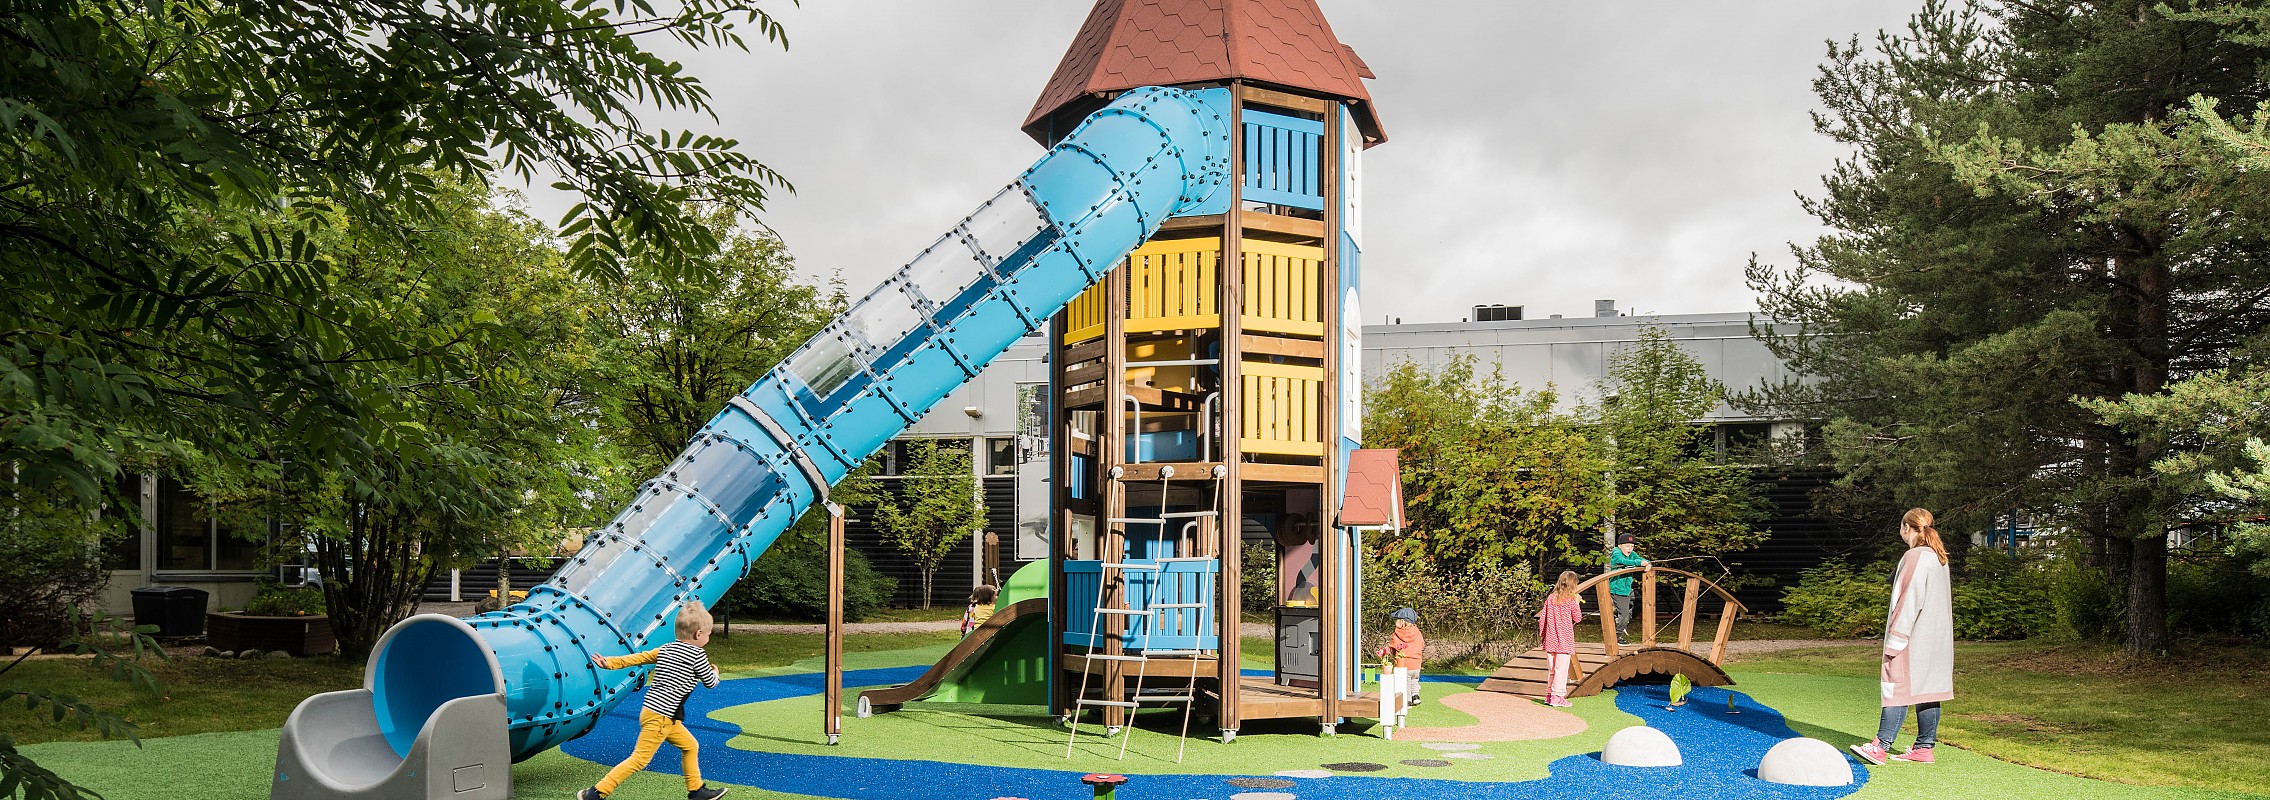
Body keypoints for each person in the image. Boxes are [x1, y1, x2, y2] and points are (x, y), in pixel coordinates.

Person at [579, 600, 729, 800]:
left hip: (655, 712)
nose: (708, 638)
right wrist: (715, 672)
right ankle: (596, 793)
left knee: (690, 746)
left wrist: (609, 662)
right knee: (639, 759)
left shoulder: (666, 649)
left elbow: (638, 658)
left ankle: (696, 790)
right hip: (663, 716)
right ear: (698, 634)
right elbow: (710, 683)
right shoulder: (697, 655)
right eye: (708, 634)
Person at [1851, 508, 1955, 766]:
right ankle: (1923, 747)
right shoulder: (1938, 557)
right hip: (1936, 640)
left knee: (1896, 685)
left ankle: (1880, 746)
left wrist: (1896, 638)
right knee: (1928, 690)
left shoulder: (1914, 557)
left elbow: (1908, 600)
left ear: (1906, 528)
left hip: (1913, 639)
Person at [1536, 570, 1585, 707]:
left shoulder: (1551, 598)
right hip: (1564, 641)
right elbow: (1577, 618)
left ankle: (1549, 695)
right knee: (1561, 670)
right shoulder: (1570, 600)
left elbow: (1543, 618)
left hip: (1551, 640)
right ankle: (1558, 697)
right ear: (1573, 585)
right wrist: (1577, 602)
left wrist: (1543, 635)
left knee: (1552, 670)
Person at [1376, 607, 1426, 705]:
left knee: (1405, 681)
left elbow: (1393, 646)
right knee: (1414, 680)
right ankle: (1415, 695)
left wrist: (1389, 652)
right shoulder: (1418, 633)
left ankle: (1407, 699)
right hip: (1416, 663)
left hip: (1403, 664)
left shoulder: (1397, 634)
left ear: (1402, 622)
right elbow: (1422, 644)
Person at [1607, 533, 1650, 645]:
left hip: (1627, 589)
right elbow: (1624, 561)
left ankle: (1622, 621)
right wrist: (1639, 563)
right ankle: (1617, 637)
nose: (1630, 549)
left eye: (1632, 546)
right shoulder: (1616, 553)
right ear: (1620, 545)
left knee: (1641, 602)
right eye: (1627, 546)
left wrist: (1647, 563)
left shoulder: (1632, 554)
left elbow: (1641, 559)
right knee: (1624, 616)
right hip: (1618, 590)